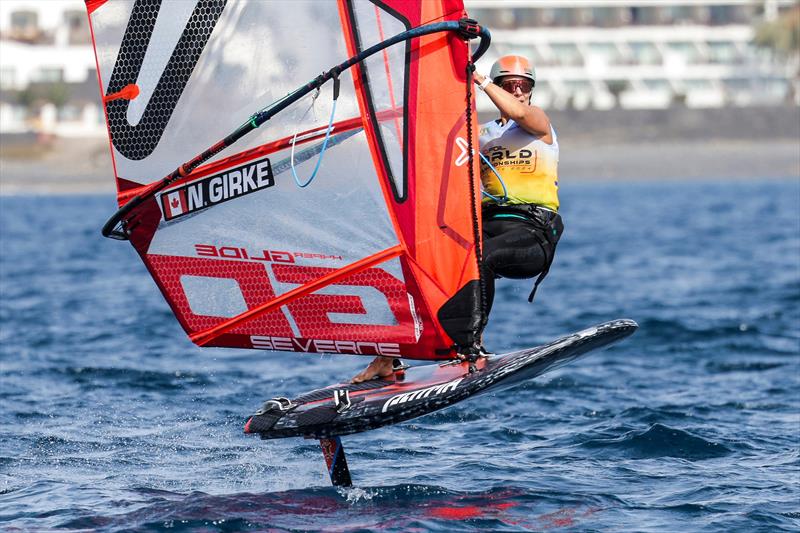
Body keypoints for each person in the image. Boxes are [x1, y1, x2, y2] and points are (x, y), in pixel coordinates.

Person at [351, 55, 562, 383]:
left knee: (480, 259)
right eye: (510, 85)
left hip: (532, 233)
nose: (517, 91)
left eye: (523, 86)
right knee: (424, 266)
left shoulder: (538, 123)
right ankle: (388, 358)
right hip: (489, 227)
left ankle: (471, 345)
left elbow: (519, 113)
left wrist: (478, 79)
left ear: (531, 91)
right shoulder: (481, 134)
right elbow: (439, 149)